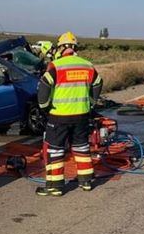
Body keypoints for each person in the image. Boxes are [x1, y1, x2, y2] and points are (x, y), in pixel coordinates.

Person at [36, 31, 102, 196]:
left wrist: (44, 107)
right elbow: (98, 83)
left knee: (55, 150)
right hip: (82, 114)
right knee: (81, 147)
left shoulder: (56, 66)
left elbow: (44, 87)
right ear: (74, 48)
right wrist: (91, 103)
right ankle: (86, 182)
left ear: (61, 48)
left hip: (59, 116)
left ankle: (55, 186)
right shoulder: (87, 65)